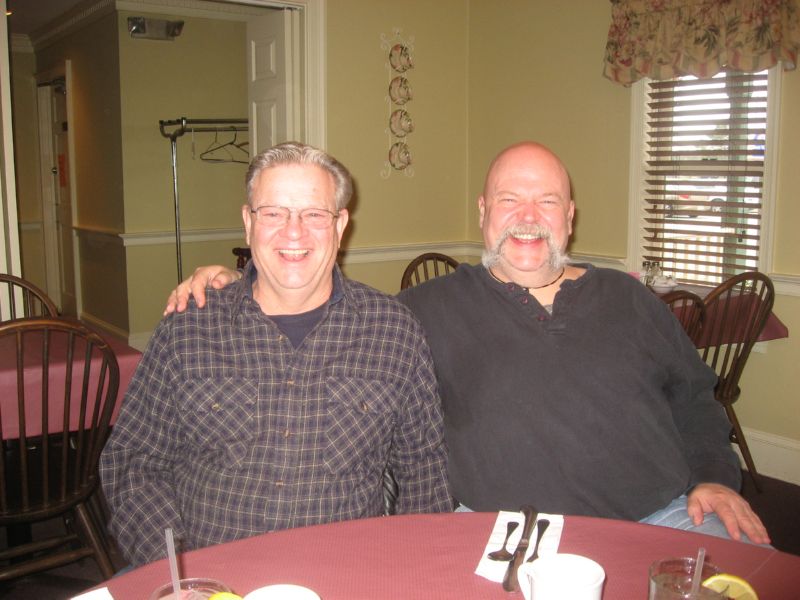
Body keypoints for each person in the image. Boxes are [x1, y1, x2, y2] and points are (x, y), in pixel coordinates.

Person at [164, 141, 769, 545]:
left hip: (665, 518)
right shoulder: (419, 312)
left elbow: (696, 399)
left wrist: (714, 476)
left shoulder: (631, 299)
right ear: (483, 211)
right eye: (509, 199)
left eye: (546, 201)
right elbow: (324, 315)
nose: (527, 216)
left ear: (569, 216)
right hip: (500, 538)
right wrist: (236, 284)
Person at [101, 142, 451, 567]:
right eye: (273, 213)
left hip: (345, 574)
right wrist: (178, 571)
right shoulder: (188, 329)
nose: (294, 232)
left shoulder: (393, 332)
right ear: (248, 223)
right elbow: (134, 464)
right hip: (213, 581)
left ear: (340, 225)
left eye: (314, 214)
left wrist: (412, 570)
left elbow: (423, 471)